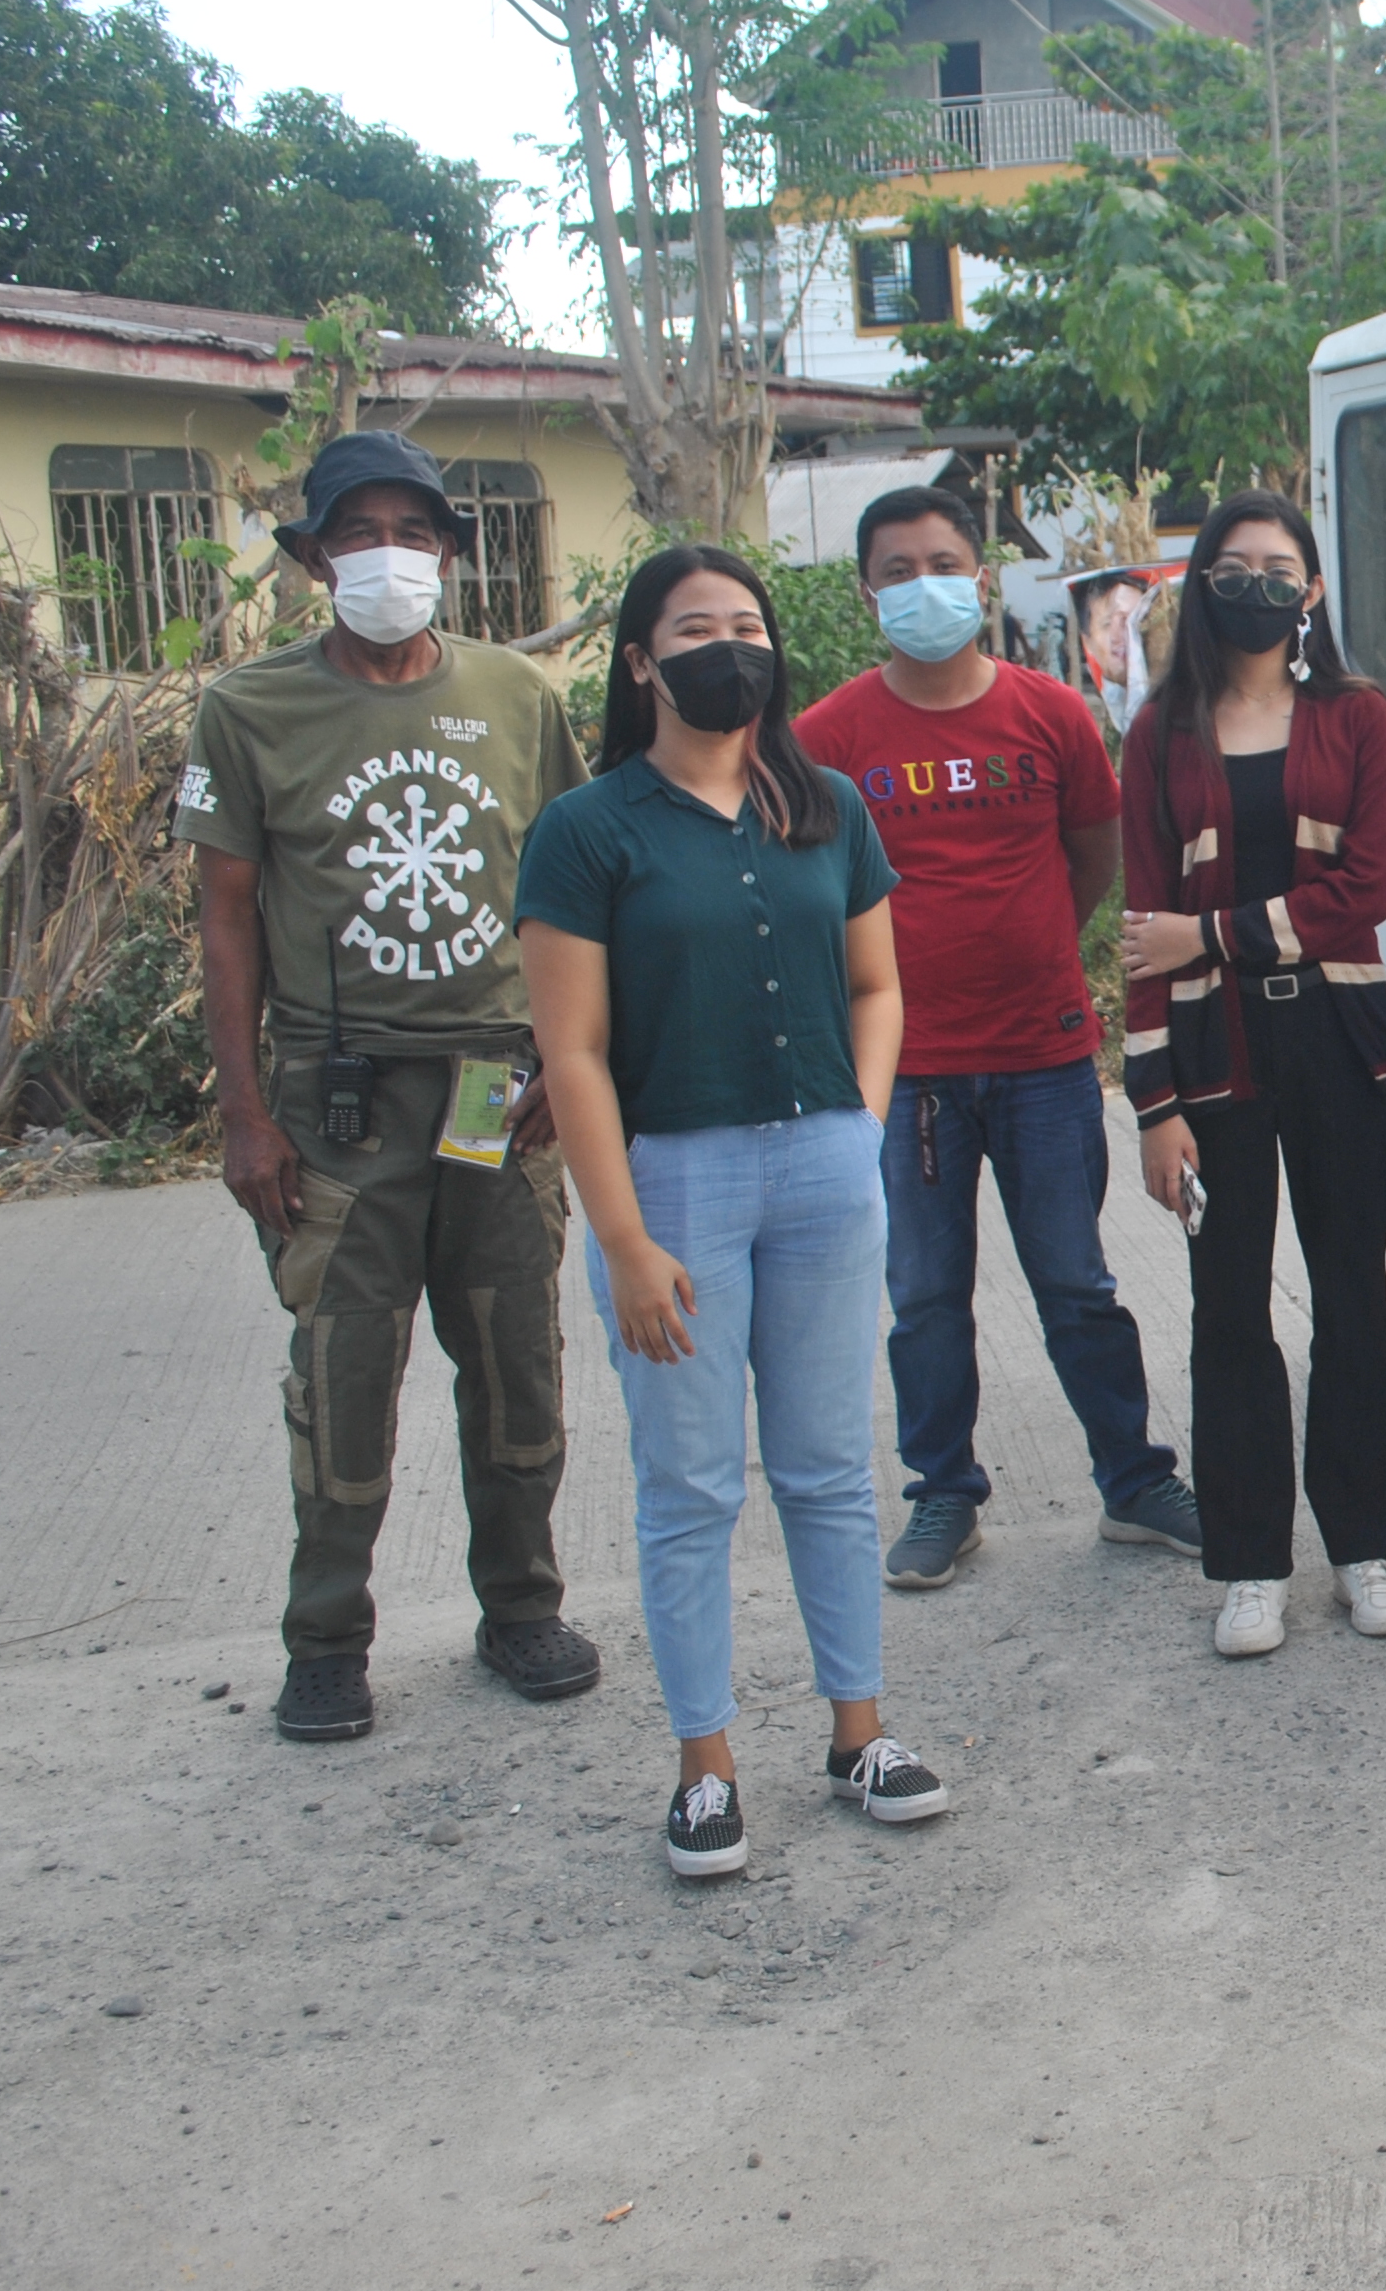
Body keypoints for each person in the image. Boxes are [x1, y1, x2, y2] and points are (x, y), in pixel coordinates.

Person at [516, 546, 951, 1880]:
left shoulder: (824, 805)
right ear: (640, 659)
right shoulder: (587, 831)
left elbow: (877, 985)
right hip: (678, 1180)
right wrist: (625, 1237)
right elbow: (573, 1053)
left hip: (826, 1166)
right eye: (693, 627)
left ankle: (858, 1735)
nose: (728, 646)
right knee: (691, 1486)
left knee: (828, 1468)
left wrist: (858, 1121)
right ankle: (705, 1766)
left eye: (746, 624)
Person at [176, 429, 601, 1745]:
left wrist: (567, 1065)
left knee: (514, 1355)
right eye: (356, 534)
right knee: (344, 1370)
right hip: (337, 1102)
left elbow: (570, 891)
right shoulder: (252, 711)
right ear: (311, 559)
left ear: (451, 554)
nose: (387, 558)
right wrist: (245, 1114)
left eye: (412, 533)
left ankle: (521, 1606)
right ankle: (326, 1642)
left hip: (495, 1088)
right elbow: (227, 918)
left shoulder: (518, 699)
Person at [794, 486, 1199, 1590]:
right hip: (903, 1074)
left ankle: (1134, 1480)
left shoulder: (1052, 716)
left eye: (942, 561)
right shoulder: (825, 741)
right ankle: (943, 1495)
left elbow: (1092, 858)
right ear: (865, 589)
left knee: (1076, 1282)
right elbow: (810, 898)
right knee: (925, 1295)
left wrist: (1026, 944)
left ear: (979, 579)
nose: (921, 582)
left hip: (1044, 1057)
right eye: (895, 567)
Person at [1118, 492, 1386, 1661]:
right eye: (1231, 564)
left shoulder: (1357, 720)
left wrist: (1213, 934)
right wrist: (1152, 1108)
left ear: (1312, 591)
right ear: (1200, 585)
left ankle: (1367, 1549)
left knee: (1353, 1296)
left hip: (1341, 1046)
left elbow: (1367, 897)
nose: (1254, 581)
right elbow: (1143, 929)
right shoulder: (1162, 732)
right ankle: (1248, 1565)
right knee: (1228, 1310)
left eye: (1276, 565)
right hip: (1209, 1059)